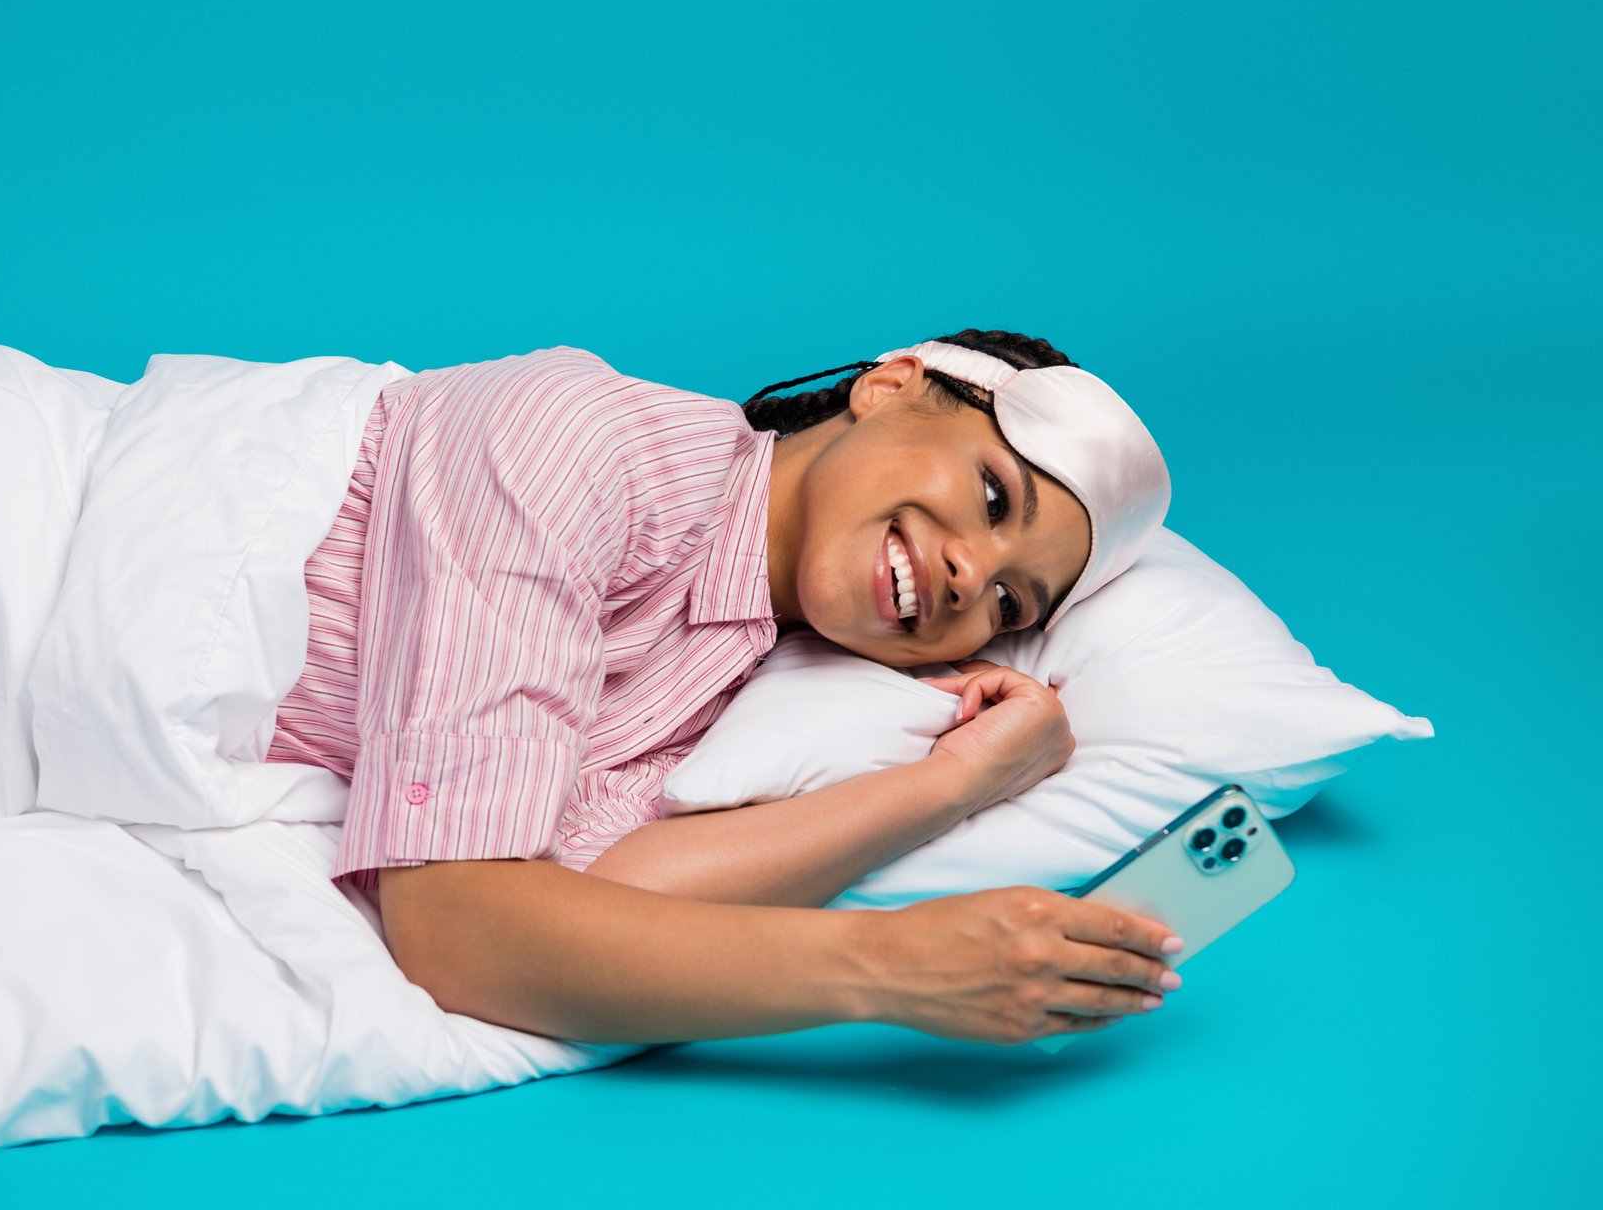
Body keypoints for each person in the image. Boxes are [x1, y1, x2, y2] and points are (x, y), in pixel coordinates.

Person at [265, 327, 1182, 1049]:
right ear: (890, 385)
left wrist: (954, 783)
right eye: (992, 498)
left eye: (1009, 601)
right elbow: (458, 934)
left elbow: (596, 913)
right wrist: (896, 966)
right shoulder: (571, 438)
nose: (967, 576)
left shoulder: (736, 681)